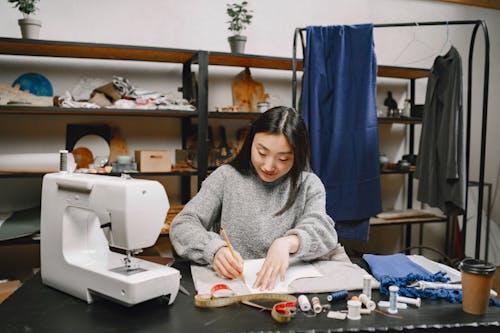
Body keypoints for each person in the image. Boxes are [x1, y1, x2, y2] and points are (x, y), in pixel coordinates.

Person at [170, 106, 338, 290]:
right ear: (250, 142)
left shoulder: (308, 184)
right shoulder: (226, 177)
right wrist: (214, 249)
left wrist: (289, 242)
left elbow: (324, 232)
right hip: (236, 287)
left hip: (291, 290)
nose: (268, 166)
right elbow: (183, 225)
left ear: (297, 156)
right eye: (262, 152)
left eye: (283, 159)